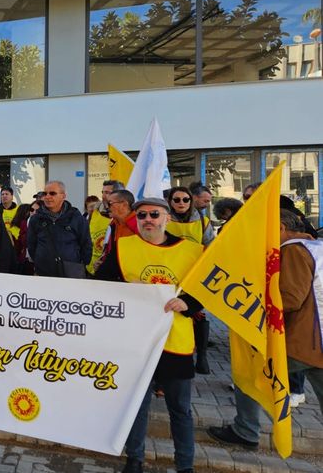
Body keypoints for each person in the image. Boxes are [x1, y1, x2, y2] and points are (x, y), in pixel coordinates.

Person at [95, 197, 204, 473]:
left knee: (180, 410)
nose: (148, 220)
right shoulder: (124, 247)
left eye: (154, 214)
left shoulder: (192, 251)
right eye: (141, 215)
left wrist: (188, 304)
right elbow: (101, 286)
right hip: (136, 342)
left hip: (175, 341)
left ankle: (185, 465)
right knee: (136, 406)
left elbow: (206, 290)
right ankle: (135, 459)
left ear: (166, 217)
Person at [208, 209, 323, 448]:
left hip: (302, 340)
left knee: (249, 374)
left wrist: (252, 303)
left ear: (280, 228)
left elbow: (290, 298)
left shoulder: (293, 251)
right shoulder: (315, 247)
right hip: (316, 339)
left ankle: (246, 430)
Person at [166, 186, 214, 374]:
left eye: (185, 200)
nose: (181, 203)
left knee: (197, 314)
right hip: (169, 274)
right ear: (170, 201)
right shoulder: (164, 218)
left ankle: (201, 355)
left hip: (194, 274)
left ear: (191, 201)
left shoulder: (203, 221)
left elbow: (210, 247)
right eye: (176, 200)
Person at [27, 180, 91, 278]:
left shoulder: (76, 217)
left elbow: (86, 243)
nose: (47, 197)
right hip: (44, 271)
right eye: (45, 193)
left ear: (63, 196)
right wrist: (40, 260)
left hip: (71, 271)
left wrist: (80, 263)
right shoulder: (35, 219)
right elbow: (31, 244)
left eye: (52, 193)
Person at [93, 189, 137, 272]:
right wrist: (102, 262)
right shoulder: (113, 224)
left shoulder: (139, 225)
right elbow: (108, 250)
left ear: (124, 205)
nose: (107, 207)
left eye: (110, 203)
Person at [87, 180, 123, 275]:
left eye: (107, 193)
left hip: (115, 270)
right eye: (103, 192)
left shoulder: (125, 217)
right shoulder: (94, 211)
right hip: (90, 269)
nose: (103, 196)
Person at [10, 203, 36, 275]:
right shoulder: (21, 226)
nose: (34, 212)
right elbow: (20, 245)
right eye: (31, 210)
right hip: (22, 261)